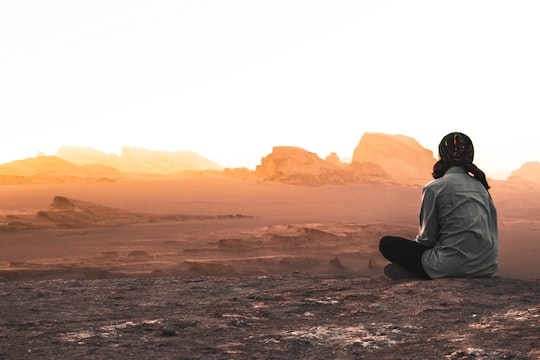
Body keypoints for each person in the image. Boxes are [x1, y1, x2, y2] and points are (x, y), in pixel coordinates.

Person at [378, 132, 498, 279]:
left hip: (449, 267)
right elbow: (492, 232)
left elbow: (426, 239)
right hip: (486, 268)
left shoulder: (434, 188)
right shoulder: (482, 188)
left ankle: (419, 272)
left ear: (442, 155)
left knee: (386, 244)